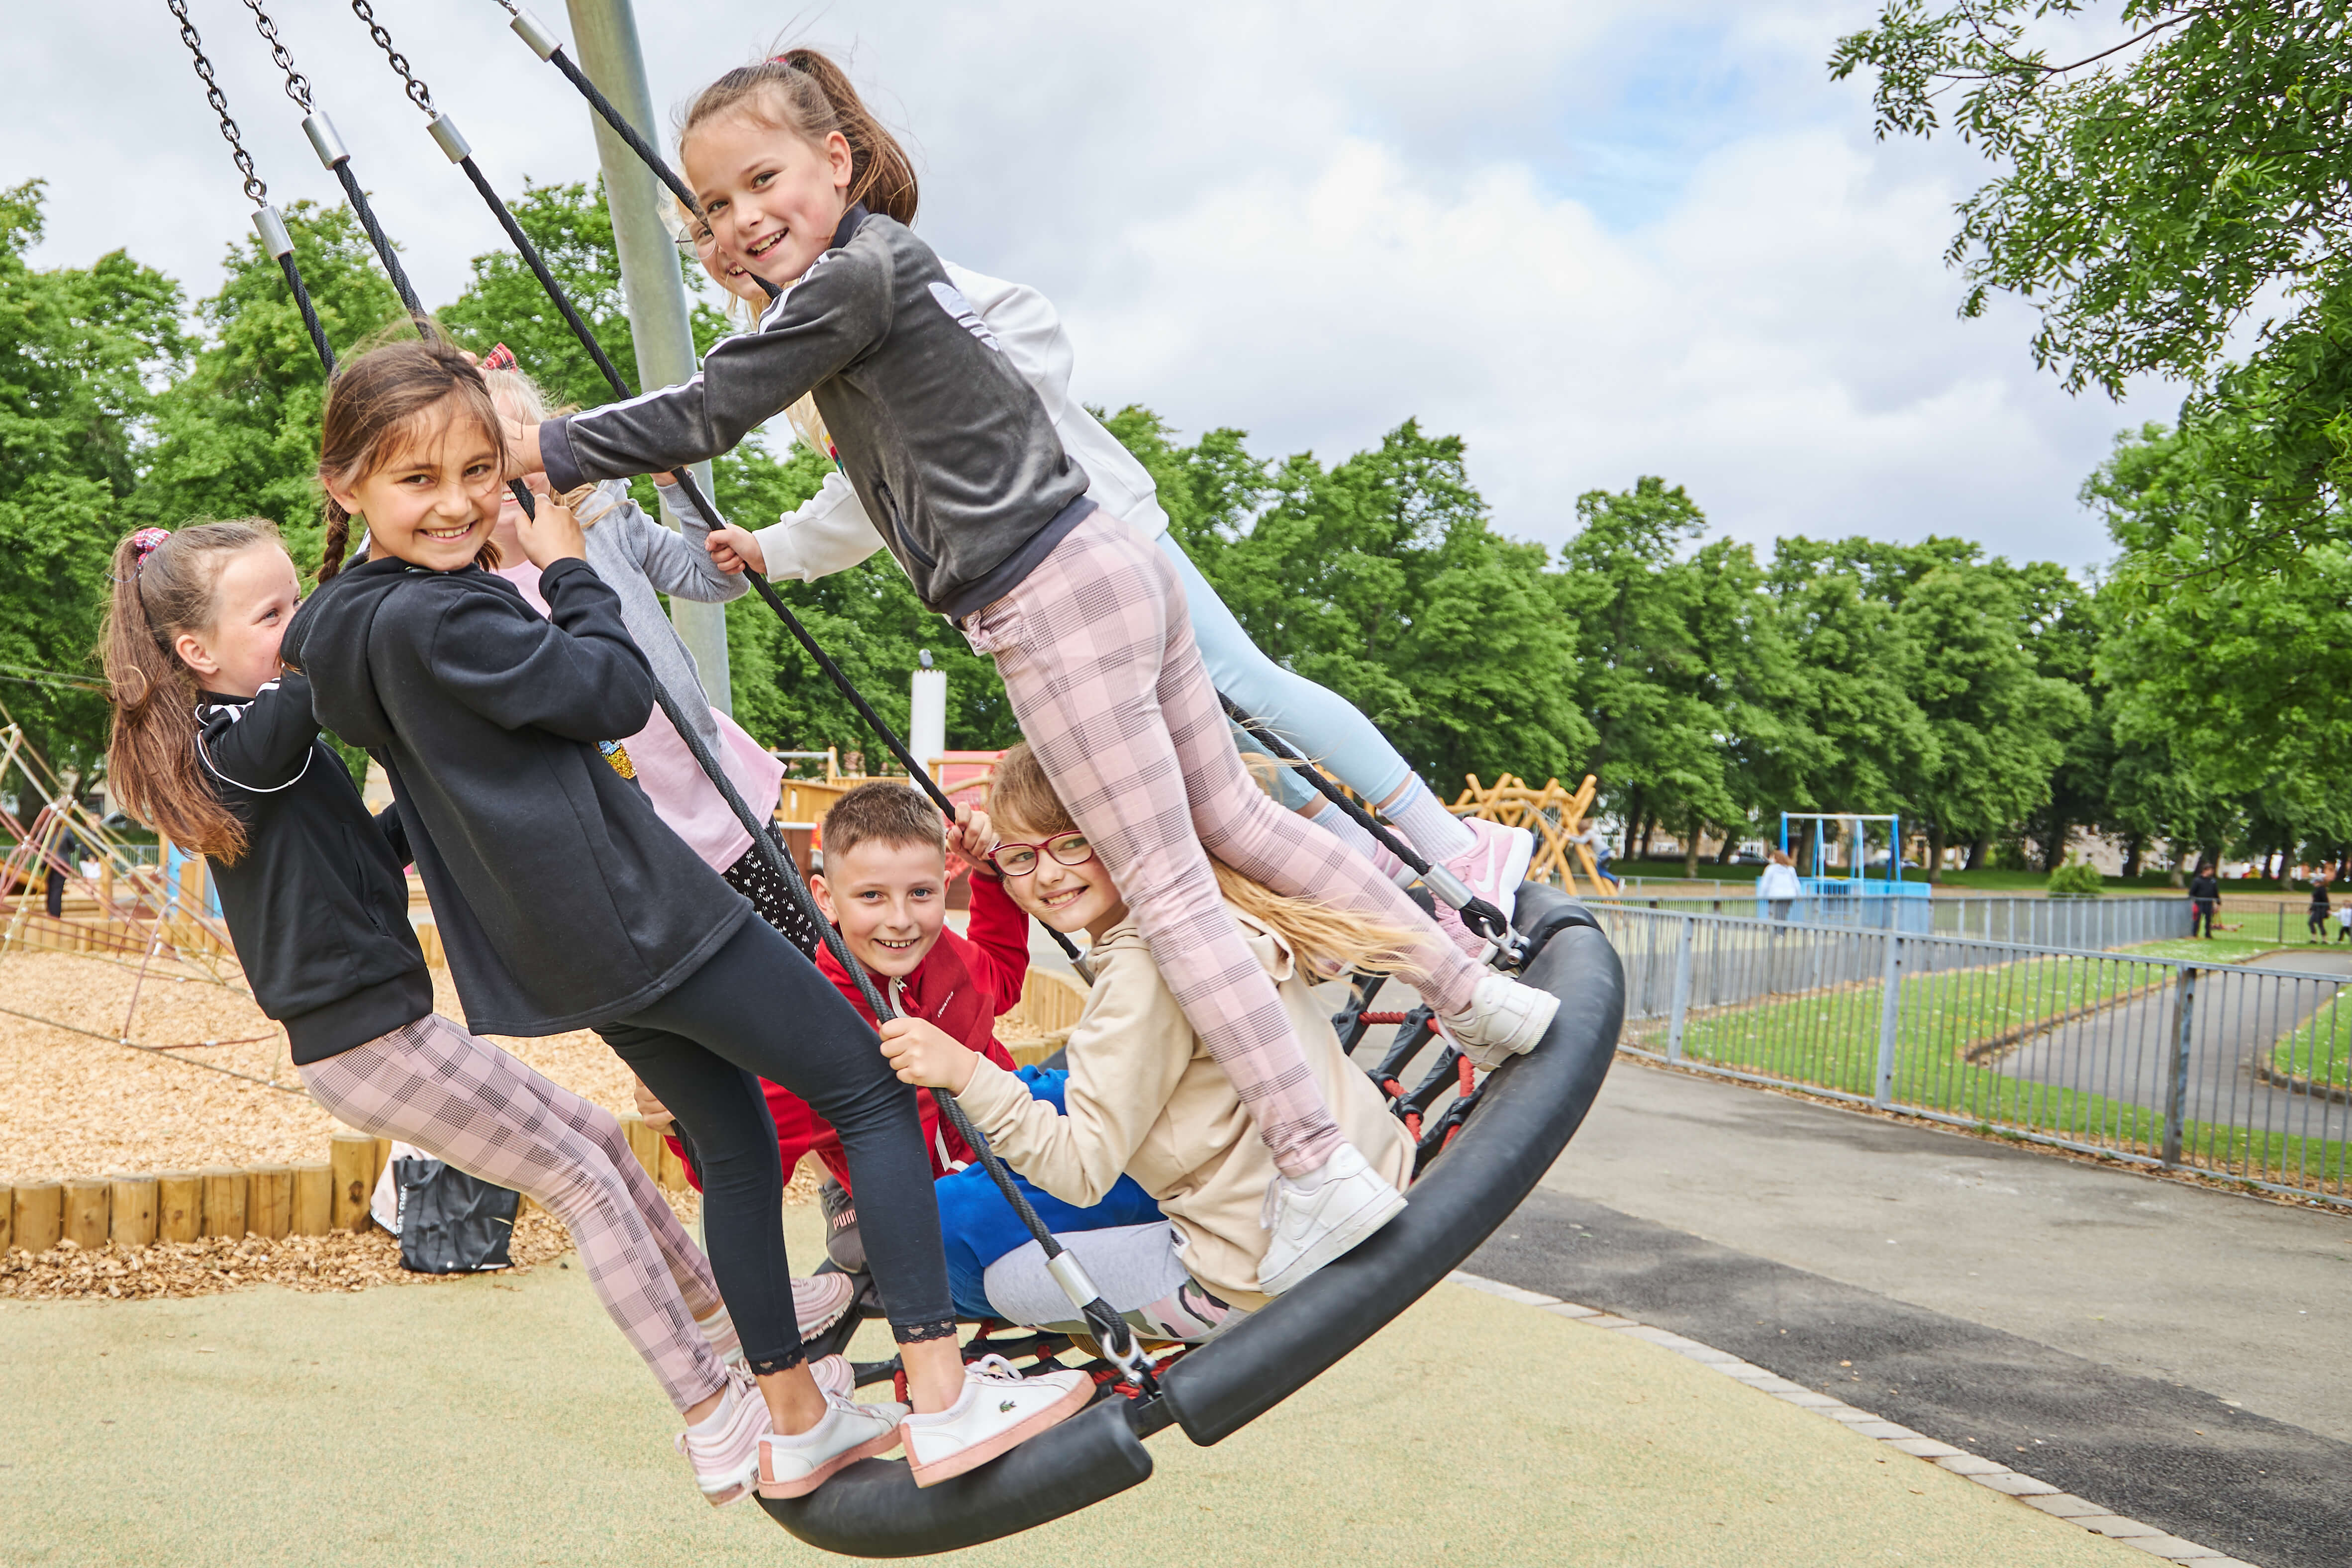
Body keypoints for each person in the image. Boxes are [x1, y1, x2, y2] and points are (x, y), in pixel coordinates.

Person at [505, 50, 1560, 1297]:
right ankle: (1472, 993)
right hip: (1110, 562)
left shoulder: (859, 273)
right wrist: (766, 473)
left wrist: (549, 444)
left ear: (836, 161)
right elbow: (812, 433)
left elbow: (710, 410)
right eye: (717, 207)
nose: (742, 220)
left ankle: (1315, 1162)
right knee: (1234, 821)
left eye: (764, 182)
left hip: (1044, 598)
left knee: (1169, 893)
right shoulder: (862, 280)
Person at [284, 339, 1086, 1497]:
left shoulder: (340, 625)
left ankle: (797, 1414)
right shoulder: (445, 618)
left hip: (558, 948)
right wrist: (565, 562)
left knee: (734, 1145)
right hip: (640, 913)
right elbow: (612, 689)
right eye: (421, 481)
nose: (460, 503)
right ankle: (940, 1390)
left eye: (480, 474)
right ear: (348, 486)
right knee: (871, 1085)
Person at [97, 519, 810, 1507]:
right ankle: (711, 1415)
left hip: (384, 1023)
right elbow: (294, 709)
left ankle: (724, 1317)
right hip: (358, 1037)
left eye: (302, 599)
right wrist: (360, 616)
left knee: (599, 1137)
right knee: (580, 1181)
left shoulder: (272, 746)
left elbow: (367, 848)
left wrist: (449, 799)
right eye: (274, 614)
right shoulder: (220, 748)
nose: (300, 625)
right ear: (195, 653)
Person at [678, 155, 1532, 960]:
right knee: (1224, 743)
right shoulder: (791, 334)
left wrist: (990, 425)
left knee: (1243, 686)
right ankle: (1382, 874)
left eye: (735, 212)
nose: (724, 245)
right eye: (704, 228)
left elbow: (1016, 324)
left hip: (1088, 527)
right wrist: (775, 547)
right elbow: (868, 495)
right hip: (1034, 570)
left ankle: (1457, 843)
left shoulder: (877, 271)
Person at [880, 743, 1415, 1332]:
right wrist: (993, 869)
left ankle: (1160, 1316)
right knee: (1039, 1095)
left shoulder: (1143, 971)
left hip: (1258, 1264)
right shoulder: (1200, 906)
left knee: (979, 1266)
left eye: (1071, 841)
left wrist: (963, 1069)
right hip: (1370, 1160)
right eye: (1023, 856)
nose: (1051, 873)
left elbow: (1081, 1171)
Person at [479, 357, 818, 958]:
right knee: (715, 978)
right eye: (482, 459)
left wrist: (671, 483)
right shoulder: (464, 598)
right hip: (628, 829)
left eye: (516, 452)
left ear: (544, 460)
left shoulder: (600, 523)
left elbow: (715, 581)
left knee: (800, 952)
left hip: (710, 785)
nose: (504, 474)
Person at [1758, 848, 1800, 922]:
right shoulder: (1790, 869)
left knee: (1775, 915)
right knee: (1783, 914)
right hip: (1789, 896)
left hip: (1775, 895)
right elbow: (1796, 883)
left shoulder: (1771, 869)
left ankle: (1777, 931)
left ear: (1775, 858)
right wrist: (1799, 895)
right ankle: (1781, 931)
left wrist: (1761, 896)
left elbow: (1765, 883)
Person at [2188, 863, 2220, 939]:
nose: (2212, 872)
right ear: (2205, 870)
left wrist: (2218, 903)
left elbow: (2215, 892)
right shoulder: (2197, 881)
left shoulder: (2212, 881)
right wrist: (2193, 902)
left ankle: (2208, 935)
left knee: (2209, 920)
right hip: (2199, 903)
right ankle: (2194, 934)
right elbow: (2192, 893)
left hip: (2209, 903)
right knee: (2197, 919)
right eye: (2210, 870)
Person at [2309, 873, 2331, 943]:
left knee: (2320, 924)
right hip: (2316, 909)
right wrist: (2311, 909)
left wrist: (2328, 909)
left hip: (2321, 909)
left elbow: (2326, 899)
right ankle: (2314, 939)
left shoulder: (2322, 889)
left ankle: (2325, 940)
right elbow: (2314, 900)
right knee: (2311, 922)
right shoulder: (2317, 889)